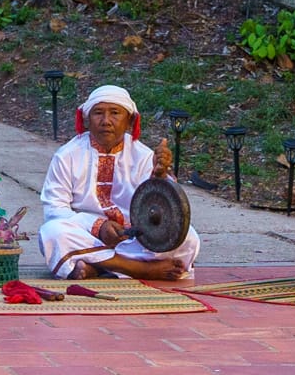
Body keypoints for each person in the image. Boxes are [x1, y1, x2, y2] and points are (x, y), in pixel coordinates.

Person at [38, 84, 197, 282]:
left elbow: (167, 212)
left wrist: (161, 177)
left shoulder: (144, 156)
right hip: (87, 236)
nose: (106, 121)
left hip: (134, 240)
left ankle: (98, 267)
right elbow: (54, 209)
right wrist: (98, 226)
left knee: (188, 238)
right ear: (87, 120)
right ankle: (138, 270)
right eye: (98, 113)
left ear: (130, 120)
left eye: (115, 113)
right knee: (53, 232)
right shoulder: (66, 156)